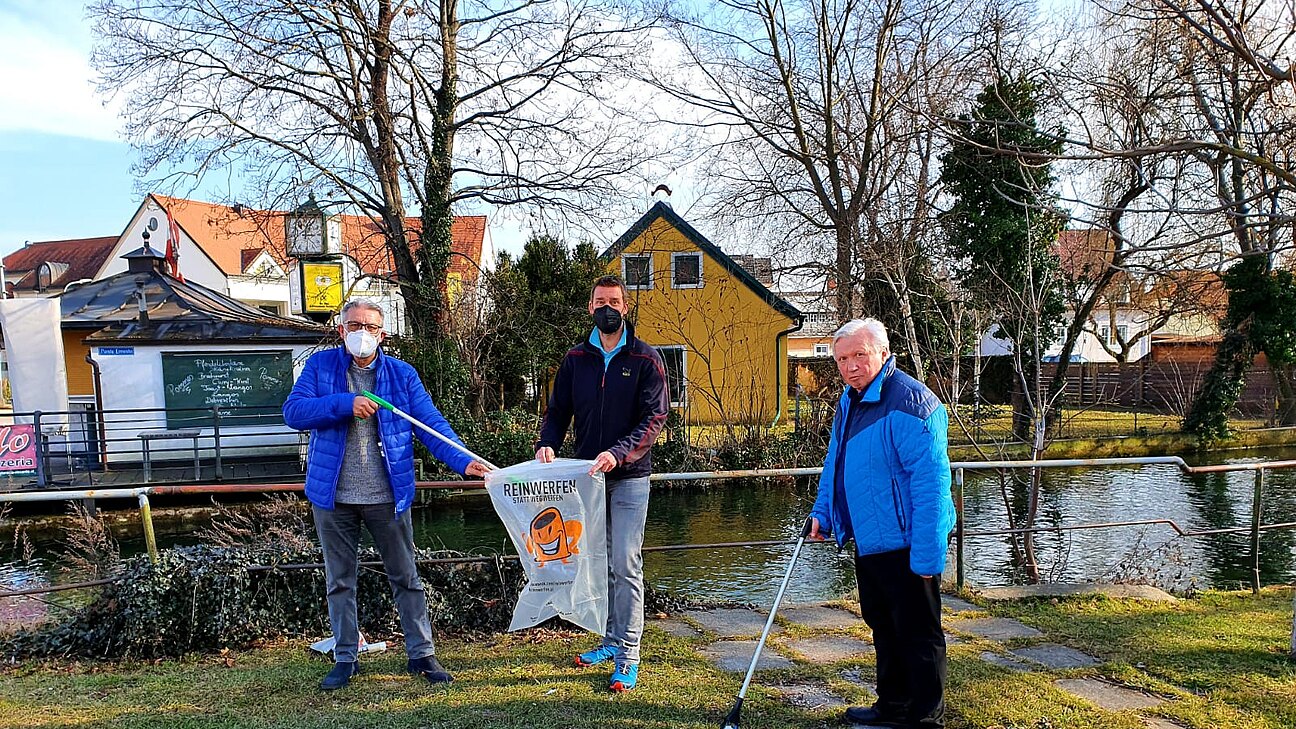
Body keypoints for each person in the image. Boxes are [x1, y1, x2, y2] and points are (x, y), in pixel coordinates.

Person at [284, 299, 491, 691]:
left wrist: (464, 461)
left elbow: (430, 425)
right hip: (333, 497)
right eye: (354, 325)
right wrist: (345, 404)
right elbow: (294, 413)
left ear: (382, 333)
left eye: (371, 326)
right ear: (342, 329)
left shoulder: (402, 375)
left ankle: (421, 654)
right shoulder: (319, 367)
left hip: (387, 496)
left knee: (406, 576)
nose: (362, 332)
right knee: (340, 581)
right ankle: (346, 657)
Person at [808, 318, 955, 728]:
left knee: (919, 635)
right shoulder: (850, 400)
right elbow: (835, 466)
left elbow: (932, 487)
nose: (850, 366)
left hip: (908, 544)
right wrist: (823, 512)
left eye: (859, 355)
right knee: (884, 628)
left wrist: (927, 558)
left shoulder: (913, 403)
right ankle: (892, 707)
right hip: (870, 540)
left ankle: (926, 718)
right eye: (841, 359)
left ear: (884, 353)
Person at [535, 274, 669, 692]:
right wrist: (548, 444)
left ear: (625, 307)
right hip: (587, 479)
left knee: (626, 563)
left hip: (629, 476)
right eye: (599, 301)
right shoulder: (576, 358)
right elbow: (558, 410)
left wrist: (620, 453)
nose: (606, 307)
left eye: (614, 300)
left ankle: (629, 653)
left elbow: (655, 418)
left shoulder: (646, 359)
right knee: (600, 562)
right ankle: (610, 640)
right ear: (590, 307)